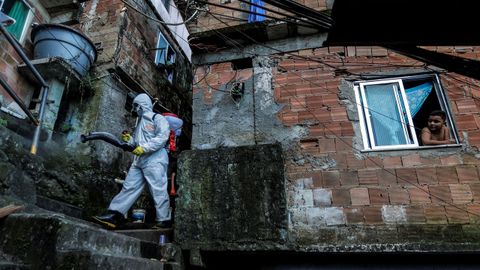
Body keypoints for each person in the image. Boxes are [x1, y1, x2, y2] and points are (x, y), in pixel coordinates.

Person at [93, 93, 172, 229]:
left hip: (155, 159)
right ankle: (115, 215)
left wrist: (144, 148)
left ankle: (164, 220)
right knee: (129, 187)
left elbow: (162, 137)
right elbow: (136, 142)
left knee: (157, 189)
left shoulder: (157, 118)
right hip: (140, 160)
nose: (135, 109)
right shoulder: (139, 123)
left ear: (142, 105)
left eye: (136, 106)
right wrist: (129, 139)